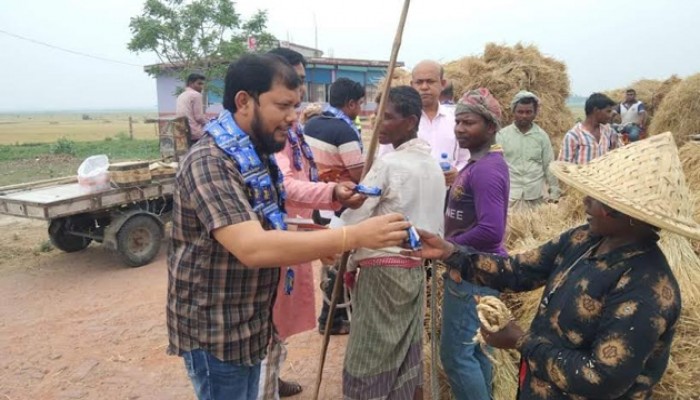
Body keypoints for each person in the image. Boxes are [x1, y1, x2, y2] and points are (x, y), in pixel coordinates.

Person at [166, 53, 411, 400]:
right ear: (244, 101)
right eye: (283, 106)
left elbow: (271, 221)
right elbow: (253, 246)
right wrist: (350, 235)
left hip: (251, 319)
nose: (292, 117)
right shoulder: (210, 162)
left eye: (295, 106)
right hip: (216, 328)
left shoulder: (256, 152)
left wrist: (321, 233)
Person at [405, 132, 698, 399]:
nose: (584, 201)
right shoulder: (583, 239)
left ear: (623, 212)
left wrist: (521, 342)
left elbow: (602, 379)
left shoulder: (646, 286)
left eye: (595, 197)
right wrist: (451, 253)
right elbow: (518, 271)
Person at [253, 48, 367, 399]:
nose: (298, 89)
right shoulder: (265, 133)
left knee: (279, 323)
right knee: (268, 322)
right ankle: (265, 388)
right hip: (275, 237)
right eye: (292, 79)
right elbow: (283, 185)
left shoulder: (296, 127)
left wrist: (328, 197)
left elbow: (300, 180)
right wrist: (332, 190)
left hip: (296, 227)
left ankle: (273, 378)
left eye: (301, 80)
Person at [341, 86, 445, 400]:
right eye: (377, 115)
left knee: (368, 353)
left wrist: (346, 206)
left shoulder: (388, 165)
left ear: (411, 121)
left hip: (382, 271)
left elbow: (354, 220)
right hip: (414, 269)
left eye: (388, 117)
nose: (379, 123)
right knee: (403, 349)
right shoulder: (433, 168)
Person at [440, 88, 510, 399]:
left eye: (468, 123)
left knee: (456, 356)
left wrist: (449, 247)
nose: (459, 129)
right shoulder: (476, 164)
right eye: (457, 122)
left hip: (474, 274)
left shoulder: (486, 170)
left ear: (491, 126)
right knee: (476, 351)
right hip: (474, 272)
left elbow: (491, 231)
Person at [378, 60, 468, 186]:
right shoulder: (400, 122)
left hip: (448, 195)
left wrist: (458, 173)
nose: (424, 87)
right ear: (412, 85)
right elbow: (384, 160)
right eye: (419, 82)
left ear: (442, 84)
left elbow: (465, 158)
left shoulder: (456, 119)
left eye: (430, 81)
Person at [497, 90, 560, 208]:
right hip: (510, 198)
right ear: (513, 112)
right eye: (520, 112)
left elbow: (549, 165)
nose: (524, 116)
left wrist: (554, 193)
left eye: (528, 112)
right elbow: (495, 166)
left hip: (536, 198)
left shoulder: (542, 136)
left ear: (535, 113)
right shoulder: (502, 136)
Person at [304, 78, 366, 184]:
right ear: (351, 104)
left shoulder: (310, 123)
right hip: (337, 194)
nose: (361, 108)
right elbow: (358, 175)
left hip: (313, 190)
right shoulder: (345, 133)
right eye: (360, 103)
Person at [559, 93, 619, 164]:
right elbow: (563, 166)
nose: (610, 115)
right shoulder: (573, 136)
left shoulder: (608, 131)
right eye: (608, 111)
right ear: (596, 110)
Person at [175, 73, 208, 141]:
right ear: (191, 83)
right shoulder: (196, 95)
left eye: (202, 84)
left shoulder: (181, 95)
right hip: (194, 132)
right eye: (199, 84)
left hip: (182, 131)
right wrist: (210, 122)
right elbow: (199, 117)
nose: (201, 87)